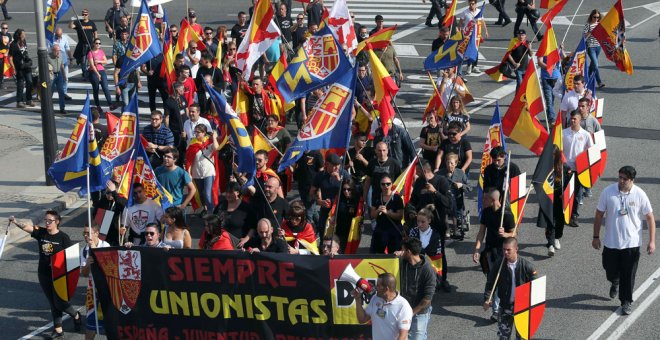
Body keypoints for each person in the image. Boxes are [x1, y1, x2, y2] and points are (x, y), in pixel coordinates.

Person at [592, 165, 655, 315]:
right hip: (611, 242)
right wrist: (595, 237)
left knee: (629, 274)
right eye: (619, 177)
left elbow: (650, 217)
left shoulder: (639, 194)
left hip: (631, 244)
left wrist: (652, 241)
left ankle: (626, 301)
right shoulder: (608, 192)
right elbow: (599, 214)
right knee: (609, 269)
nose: (620, 181)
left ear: (632, 180)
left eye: (624, 179)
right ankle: (614, 280)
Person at [9, 211, 82, 339]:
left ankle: (75, 314)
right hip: (44, 273)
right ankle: (58, 329)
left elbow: (71, 258)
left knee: (59, 302)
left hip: (59, 275)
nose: (47, 223)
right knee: (52, 302)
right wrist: (15, 221)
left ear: (57, 222)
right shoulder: (41, 233)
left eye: (50, 221)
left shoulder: (63, 238)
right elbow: (27, 227)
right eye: (45, 220)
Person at [474, 188, 516, 321]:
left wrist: (506, 234)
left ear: (493, 200)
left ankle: (499, 309)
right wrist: (477, 249)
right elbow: (481, 232)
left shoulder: (507, 214)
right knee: (493, 278)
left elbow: (514, 234)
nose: (482, 201)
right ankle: (497, 308)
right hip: (489, 251)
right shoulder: (486, 212)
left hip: (503, 252)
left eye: (485, 199)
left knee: (499, 280)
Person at [484, 238, 538, 339]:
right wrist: (488, 298)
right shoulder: (499, 265)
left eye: (508, 250)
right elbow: (490, 283)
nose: (505, 252)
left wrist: (532, 305)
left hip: (522, 307)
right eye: (504, 249)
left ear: (516, 249)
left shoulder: (527, 266)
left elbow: (536, 287)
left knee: (522, 337)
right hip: (505, 307)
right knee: (503, 337)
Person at [352, 272, 413, 339]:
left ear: (386, 289)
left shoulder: (403, 306)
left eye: (378, 286)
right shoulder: (375, 298)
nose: (375, 288)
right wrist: (358, 299)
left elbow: (403, 336)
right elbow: (362, 319)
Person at [398, 237, 436, 340]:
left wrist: (411, 313)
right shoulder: (401, 262)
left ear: (408, 252)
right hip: (402, 311)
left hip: (420, 313)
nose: (401, 252)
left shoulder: (428, 270)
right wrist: (394, 257)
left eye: (402, 250)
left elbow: (427, 299)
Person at [79, 223, 111, 339]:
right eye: (84, 233)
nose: (86, 236)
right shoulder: (84, 251)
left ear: (97, 233)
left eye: (88, 233)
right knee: (90, 323)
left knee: (109, 322)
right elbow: (84, 274)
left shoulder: (105, 245)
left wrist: (95, 251)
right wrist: (87, 264)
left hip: (106, 288)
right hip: (92, 289)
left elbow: (109, 269)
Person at [563, 110, 593, 226]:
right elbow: (558, 150)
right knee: (564, 192)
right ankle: (564, 213)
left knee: (577, 194)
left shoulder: (585, 135)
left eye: (575, 119)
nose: (572, 120)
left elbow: (590, 151)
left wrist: (586, 167)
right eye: (571, 118)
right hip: (565, 169)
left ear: (580, 120)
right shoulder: (563, 133)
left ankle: (574, 215)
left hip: (579, 170)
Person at [185, 125, 220, 214]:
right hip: (197, 173)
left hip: (209, 172)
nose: (196, 134)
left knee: (208, 193)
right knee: (201, 194)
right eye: (195, 132)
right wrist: (188, 173)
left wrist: (215, 138)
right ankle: (206, 208)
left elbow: (216, 149)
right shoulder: (192, 143)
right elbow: (189, 159)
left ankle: (211, 213)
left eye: (198, 132)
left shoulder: (209, 141)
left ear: (204, 133)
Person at [538, 146, 565, 257]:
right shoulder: (543, 167)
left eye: (553, 155)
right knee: (550, 221)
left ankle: (557, 237)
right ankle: (550, 244)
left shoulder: (563, 168)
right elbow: (538, 181)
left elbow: (569, 182)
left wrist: (565, 193)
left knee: (560, 220)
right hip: (548, 198)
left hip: (560, 198)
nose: (551, 158)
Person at [311, 153, 349, 233]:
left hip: (341, 208)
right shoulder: (320, 176)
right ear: (327, 164)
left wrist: (339, 180)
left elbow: (351, 190)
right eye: (334, 165)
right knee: (323, 231)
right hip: (326, 209)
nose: (337, 168)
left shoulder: (344, 173)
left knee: (340, 233)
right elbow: (312, 192)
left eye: (338, 165)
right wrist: (319, 201)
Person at [438, 152, 470, 239]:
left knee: (454, 207)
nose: (449, 165)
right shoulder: (440, 173)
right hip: (445, 198)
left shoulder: (460, 173)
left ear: (456, 163)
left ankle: (455, 229)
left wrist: (461, 185)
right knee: (444, 208)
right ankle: (447, 229)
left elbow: (469, 187)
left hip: (457, 198)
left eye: (451, 163)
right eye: (447, 162)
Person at [214, 181, 256, 246]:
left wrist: (246, 239)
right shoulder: (221, 205)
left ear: (238, 193)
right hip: (220, 243)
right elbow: (214, 220)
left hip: (237, 244)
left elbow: (253, 226)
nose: (227, 194)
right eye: (227, 192)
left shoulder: (246, 208)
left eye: (230, 192)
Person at [370, 175, 404, 253]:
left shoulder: (397, 198)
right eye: (383, 184)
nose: (385, 186)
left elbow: (400, 216)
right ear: (380, 185)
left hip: (394, 231)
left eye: (388, 184)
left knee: (394, 255)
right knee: (376, 255)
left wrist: (387, 213)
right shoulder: (376, 198)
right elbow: (372, 216)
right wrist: (378, 210)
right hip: (380, 230)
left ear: (391, 184)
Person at [459, 0, 488, 74]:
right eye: (470, 3)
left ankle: (474, 66)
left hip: (477, 34)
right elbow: (460, 22)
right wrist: (459, 30)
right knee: (469, 50)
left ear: (476, 4)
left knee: (476, 49)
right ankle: (469, 66)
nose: (471, 5)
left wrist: (486, 31)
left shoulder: (479, 11)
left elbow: (482, 21)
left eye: (473, 4)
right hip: (468, 34)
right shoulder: (465, 12)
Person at [8, 28, 33, 108]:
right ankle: (19, 101)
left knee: (29, 82)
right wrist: (13, 68)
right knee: (20, 84)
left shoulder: (24, 42)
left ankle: (29, 99)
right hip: (19, 67)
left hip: (26, 65)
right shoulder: (13, 45)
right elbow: (10, 57)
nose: (24, 36)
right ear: (19, 35)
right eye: (23, 34)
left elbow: (26, 52)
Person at [335, 178, 361, 251]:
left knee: (350, 249)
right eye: (344, 189)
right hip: (340, 228)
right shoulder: (340, 198)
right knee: (341, 248)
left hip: (352, 229)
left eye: (349, 189)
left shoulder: (357, 199)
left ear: (352, 189)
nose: (346, 191)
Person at [87, 38, 114, 110]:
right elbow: (92, 65)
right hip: (93, 72)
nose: (98, 45)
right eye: (96, 43)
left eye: (99, 43)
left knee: (105, 88)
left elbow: (105, 61)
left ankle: (110, 104)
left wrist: (98, 61)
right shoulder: (90, 53)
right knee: (96, 89)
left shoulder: (101, 51)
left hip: (102, 70)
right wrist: (97, 74)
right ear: (93, 44)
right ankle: (98, 106)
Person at [70, 9, 97, 78]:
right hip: (82, 45)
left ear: (88, 15)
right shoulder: (78, 22)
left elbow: (95, 32)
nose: (84, 16)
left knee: (92, 60)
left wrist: (96, 41)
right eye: (83, 14)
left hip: (90, 44)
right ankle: (85, 74)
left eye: (86, 14)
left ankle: (91, 72)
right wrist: (72, 20)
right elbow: (70, 27)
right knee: (83, 61)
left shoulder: (91, 23)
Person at [48, 27, 72, 100]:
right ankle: (49, 95)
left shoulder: (64, 38)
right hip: (54, 61)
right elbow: (48, 49)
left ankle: (64, 92)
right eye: (57, 35)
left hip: (63, 60)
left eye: (60, 35)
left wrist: (70, 58)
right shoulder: (51, 38)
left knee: (65, 78)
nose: (59, 37)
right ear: (55, 33)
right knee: (52, 80)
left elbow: (67, 48)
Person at [584, 9, 605, 88]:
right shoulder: (588, 24)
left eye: (598, 17)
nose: (596, 19)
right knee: (595, 64)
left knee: (593, 64)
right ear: (591, 16)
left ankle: (587, 80)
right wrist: (591, 32)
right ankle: (599, 82)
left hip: (598, 46)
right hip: (591, 47)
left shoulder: (599, 24)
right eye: (594, 17)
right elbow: (584, 35)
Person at [538, 55, 561, 124]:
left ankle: (552, 117)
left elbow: (562, 60)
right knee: (549, 100)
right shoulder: (542, 50)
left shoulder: (555, 48)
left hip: (557, 78)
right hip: (546, 78)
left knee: (556, 99)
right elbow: (540, 62)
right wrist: (549, 67)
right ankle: (551, 119)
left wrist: (562, 52)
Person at [48, 44, 67, 115]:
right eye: (56, 51)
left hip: (59, 74)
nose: (58, 52)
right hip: (51, 75)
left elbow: (62, 65)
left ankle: (62, 108)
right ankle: (48, 108)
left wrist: (64, 75)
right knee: (50, 92)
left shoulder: (60, 55)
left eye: (59, 51)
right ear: (53, 50)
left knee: (61, 92)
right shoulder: (47, 57)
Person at [0, 22, 11, 90]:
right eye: (3, 28)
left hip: (6, 54)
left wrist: (7, 52)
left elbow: (10, 45)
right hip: (0, 54)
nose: (4, 29)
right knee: (1, 69)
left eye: (6, 28)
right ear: (1, 28)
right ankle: (1, 83)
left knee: (8, 68)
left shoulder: (9, 35)